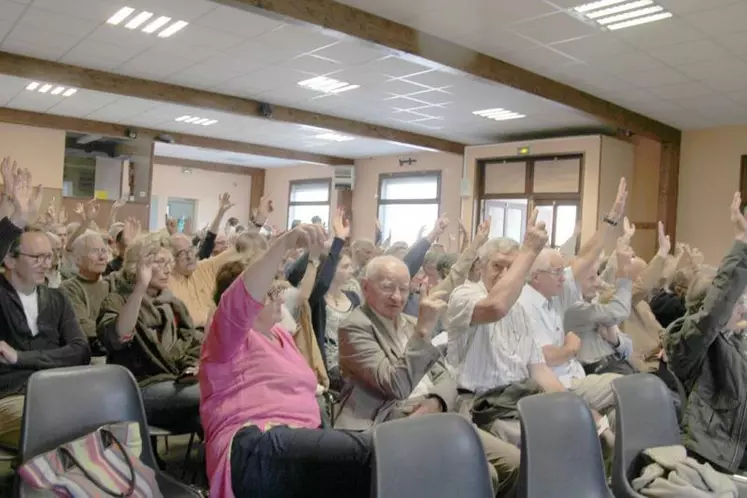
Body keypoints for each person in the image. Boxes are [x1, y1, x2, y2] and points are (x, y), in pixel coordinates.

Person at [199, 223, 371, 498]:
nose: (279, 298)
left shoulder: (281, 335)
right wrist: (282, 245)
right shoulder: (227, 339)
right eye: (269, 293)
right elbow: (240, 299)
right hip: (253, 443)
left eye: (277, 289)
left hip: (297, 439)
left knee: (365, 463)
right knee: (364, 453)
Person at [336, 254, 520, 497]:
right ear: (365, 287)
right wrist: (423, 332)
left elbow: (447, 377)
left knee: (515, 462)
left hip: (436, 414)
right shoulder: (355, 327)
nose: (397, 297)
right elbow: (396, 385)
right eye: (388, 288)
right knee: (484, 473)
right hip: (393, 421)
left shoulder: (410, 322)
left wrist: (436, 401)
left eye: (404, 288)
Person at [0, 158, 90, 449]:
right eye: (36, 258)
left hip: (57, 389)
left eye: (48, 257)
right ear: (9, 260)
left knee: (105, 418)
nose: (46, 264)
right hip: (11, 397)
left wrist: (21, 358)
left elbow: (80, 350)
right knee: (55, 427)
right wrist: (19, 218)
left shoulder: (56, 297)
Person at [666, 192, 747, 474]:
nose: (742, 309)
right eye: (737, 303)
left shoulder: (733, 340)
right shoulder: (686, 343)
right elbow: (715, 312)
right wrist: (741, 242)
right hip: (716, 453)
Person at [97, 232, 202, 434]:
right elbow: (117, 337)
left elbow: (193, 344)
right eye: (159, 262)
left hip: (177, 383)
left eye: (169, 262)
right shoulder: (117, 300)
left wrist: (192, 368)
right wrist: (140, 287)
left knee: (219, 411)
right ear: (138, 265)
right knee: (214, 392)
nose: (167, 269)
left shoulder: (174, 304)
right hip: (139, 388)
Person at [60, 231, 114, 358]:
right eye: (95, 251)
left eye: (104, 251)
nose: (102, 257)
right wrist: (116, 331)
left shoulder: (111, 283)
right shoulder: (69, 287)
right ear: (77, 259)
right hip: (90, 356)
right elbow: (82, 326)